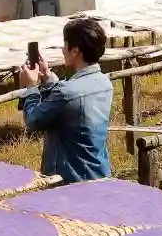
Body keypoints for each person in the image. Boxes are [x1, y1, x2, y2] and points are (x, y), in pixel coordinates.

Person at [16, 16, 113, 182]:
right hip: (98, 173)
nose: (63, 50)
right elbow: (70, 97)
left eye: (65, 45)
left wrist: (31, 87)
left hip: (70, 182)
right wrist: (47, 77)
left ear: (75, 50)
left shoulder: (66, 93)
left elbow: (32, 121)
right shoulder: (104, 83)